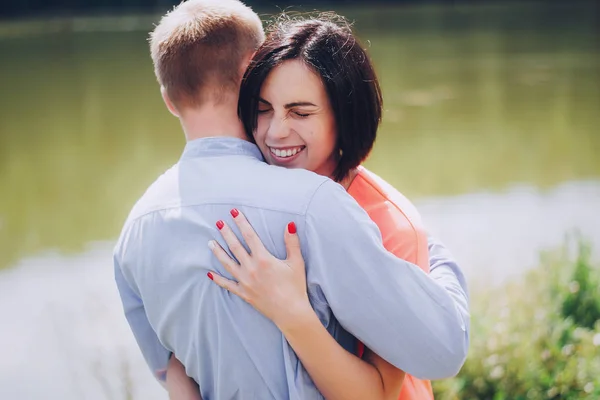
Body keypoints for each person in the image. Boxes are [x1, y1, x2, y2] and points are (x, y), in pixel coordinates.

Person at [113, 1, 469, 400]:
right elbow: (439, 354)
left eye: (299, 111)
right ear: (253, 71)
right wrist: (436, 256)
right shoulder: (314, 205)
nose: (279, 130)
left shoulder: (135, 231)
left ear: (167, 98)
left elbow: (172, 372)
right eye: (267, 109)